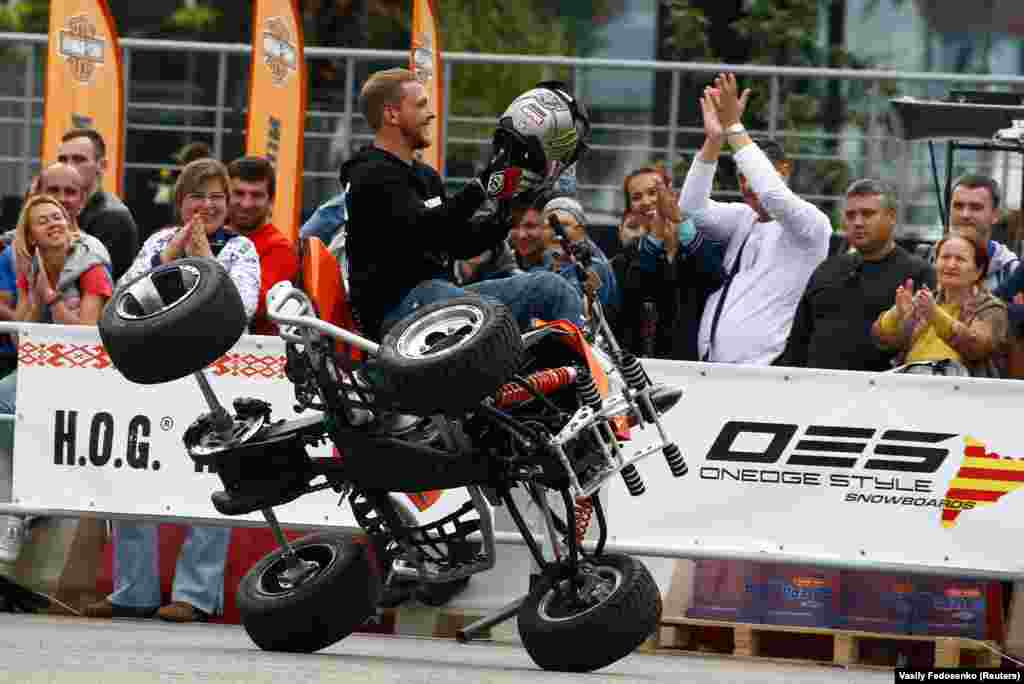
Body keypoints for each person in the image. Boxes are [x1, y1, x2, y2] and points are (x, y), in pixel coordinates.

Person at [85, 158, 259, 623]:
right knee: (135, 478)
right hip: (153, 378)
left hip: (215, 381)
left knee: (210, 481)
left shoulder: (242, 248)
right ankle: (132, 590)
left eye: (217, 199)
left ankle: (195, 595)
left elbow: (241, 310)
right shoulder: (159, 241)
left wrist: (204, 261)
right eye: (198, 197)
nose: (208, 206)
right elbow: (124, 299)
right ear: (181, 203)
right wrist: (168, 261)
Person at [341, 68, 585, 340]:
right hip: (398, 310)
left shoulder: (426, 176)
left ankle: (572, 374)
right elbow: (422, 229)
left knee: (551, 287)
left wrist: (509, 212)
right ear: (392, 114)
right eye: (421, 105)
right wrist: (481, 186)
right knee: (495, 318)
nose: (431, 114)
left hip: (438, 297)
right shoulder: (369, 173)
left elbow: (458, 243)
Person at [679, 73, 831, 365]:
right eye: (741, 178)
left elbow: (773, 196)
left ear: (784, 169)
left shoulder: (811, 225)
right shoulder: (742, 218)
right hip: (712, 369)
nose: (747, 185)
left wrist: (735, 128)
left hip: (766, 373)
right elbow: (690, 211)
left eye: (752, 176)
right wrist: (714, 140)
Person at [777, 179, 936, 371]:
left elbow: (925, 349)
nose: (857, 222)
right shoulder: (827, 270)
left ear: (891, 216)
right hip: (814, 390)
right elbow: (797, 343)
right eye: (850, 215)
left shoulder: (917, 273)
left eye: (868, 214)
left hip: (882, 393)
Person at [612, 166, 726, 360]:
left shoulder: (699, 243)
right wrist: (655, 239)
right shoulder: (627, 257)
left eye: (653, 192)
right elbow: (633, 296)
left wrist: (681, 226)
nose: (646, 202)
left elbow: (717, 278)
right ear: (630, 207)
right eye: (637, 197)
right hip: (645, 366)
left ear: (670, 194)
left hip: (698, 365)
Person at [873, 233, 1007, 378]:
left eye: (960, 259)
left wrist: (936, 316)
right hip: (910, 385)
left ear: (978, 271)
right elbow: (882, 341)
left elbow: (976, 346)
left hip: (963, 392)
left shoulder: (991, 308)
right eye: (945, 257)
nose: (951, 265)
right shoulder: (925, 300)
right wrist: (896, 314)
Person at [226, 156, 299, 335]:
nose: (246, 203)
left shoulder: (280, 248)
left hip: (252, 352)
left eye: (257, 195)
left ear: (271, 200)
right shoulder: (213, 235)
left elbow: (250, 307)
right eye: (239, 193)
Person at [57, 128, 139, 282]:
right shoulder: (60, 210)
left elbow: (96, 287)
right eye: (62, 160)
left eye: (78, 159)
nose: (68, 166)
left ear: (102, 165)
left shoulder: (113, 218)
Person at [934, 174, 1019, 292]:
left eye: (975, 207)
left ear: (996, 215)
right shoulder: (928, 261)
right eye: (958, 206)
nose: (965, 215)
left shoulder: (1011, 271)